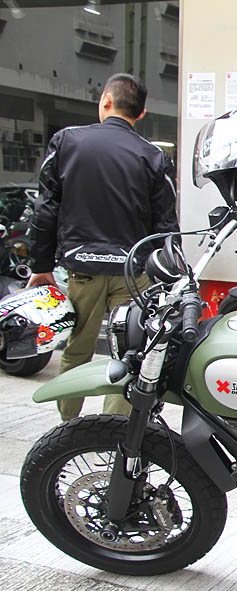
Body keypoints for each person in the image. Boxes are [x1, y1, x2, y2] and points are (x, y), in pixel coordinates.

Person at [28, 73, 178, 421]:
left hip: (83, 271)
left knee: (76, 350)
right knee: (130, 355)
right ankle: (115, 430)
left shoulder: (67, 142)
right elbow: (165, 226)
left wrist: (40, 265)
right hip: (133, 275)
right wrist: (169, 277)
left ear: (105, 101)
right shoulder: (153, 156)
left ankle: (68, 429)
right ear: (140, 114)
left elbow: (46, 208)